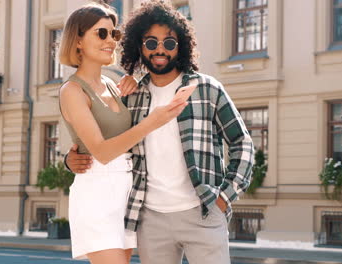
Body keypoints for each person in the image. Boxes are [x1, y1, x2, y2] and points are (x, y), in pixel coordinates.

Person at [66, 1, 255, 264]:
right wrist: (70, 158)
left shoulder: (207, 89)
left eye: (169, 43)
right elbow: (106, 138)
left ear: (182, 46)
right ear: (139, 46)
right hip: (150, 219)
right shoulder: (131, 96)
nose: (160, 50)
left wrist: (223, 198)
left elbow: (242, 142)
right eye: (151, 43)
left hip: (202, 211)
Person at [57, 3, 188, 264]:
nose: (111, 41)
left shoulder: (111, 84)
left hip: (128, 190)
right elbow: (103, 152)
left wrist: (135, 82)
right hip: (97, 193)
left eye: (114, 34)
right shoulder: (72, 91)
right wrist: (154, 121)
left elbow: (122, 132)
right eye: (101, 34)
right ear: (78, 41)